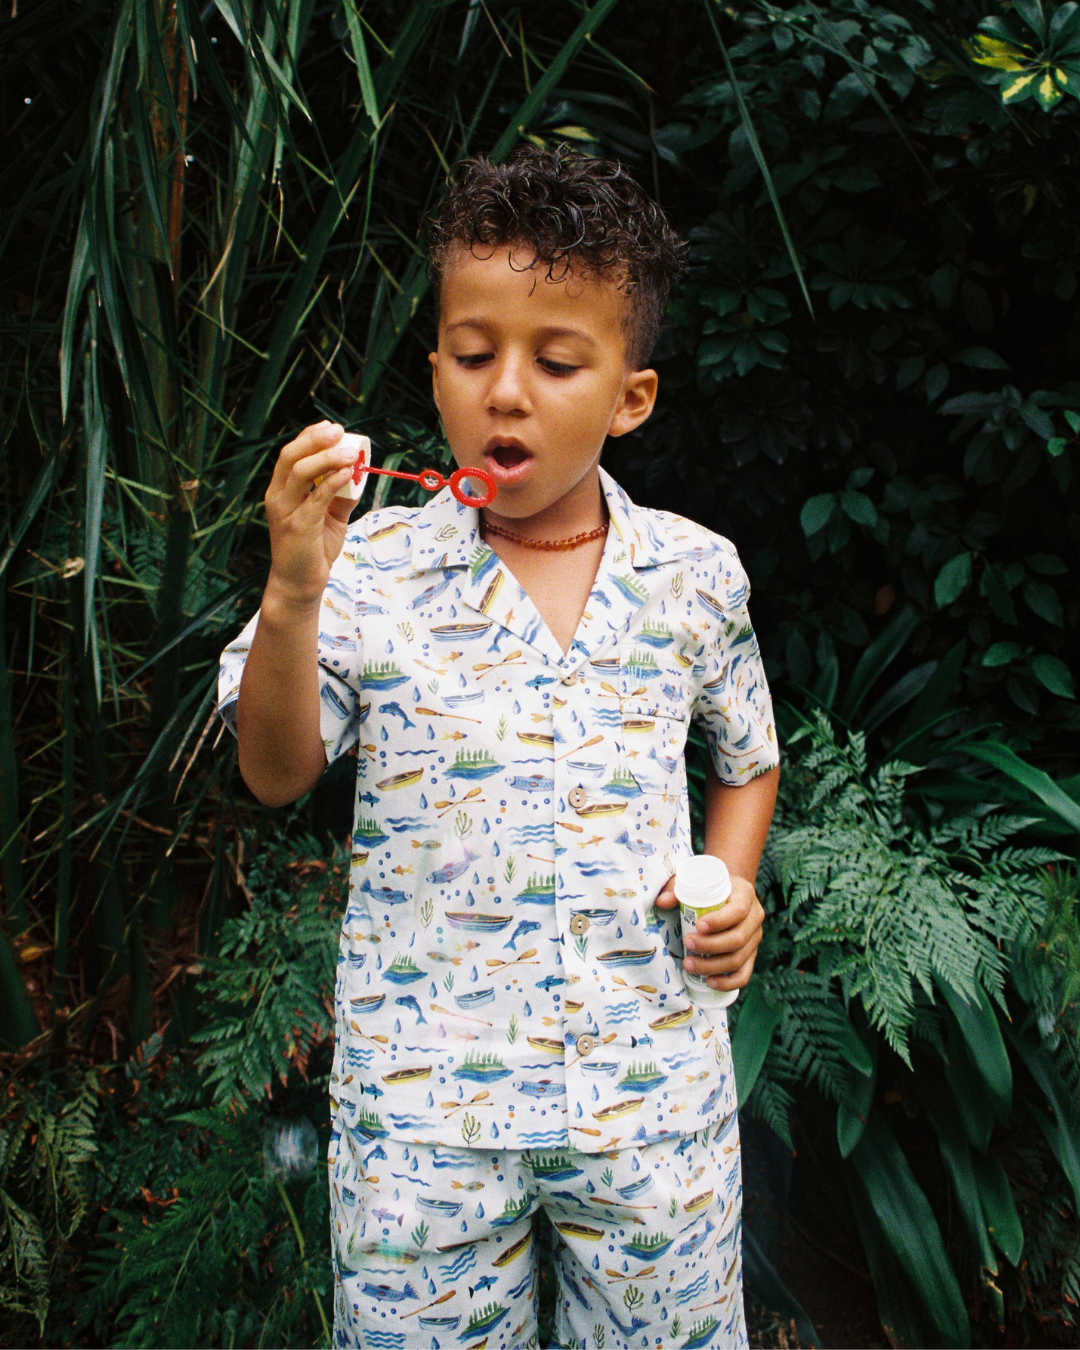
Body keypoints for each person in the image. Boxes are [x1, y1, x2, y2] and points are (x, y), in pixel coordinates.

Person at [218, 145, 780, 1350]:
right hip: (423, 1124)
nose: (506, 392)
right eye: (473, 355)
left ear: (631, 397)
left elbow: (748, 759)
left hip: (652, 1103)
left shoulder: (694, 576)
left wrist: (731, 885)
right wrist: (292, 590)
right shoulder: (365, 572)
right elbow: (274, 771)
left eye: (556, 362)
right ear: (435, 371)